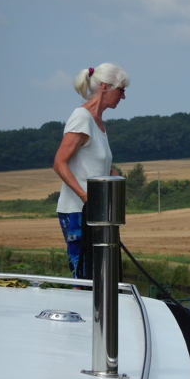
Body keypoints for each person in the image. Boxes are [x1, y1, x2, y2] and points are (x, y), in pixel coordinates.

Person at [53, 62, 129, 276]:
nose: (123, 97)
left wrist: (111, 175)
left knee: (99, 276)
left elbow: (91, 165)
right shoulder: (82, 117)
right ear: (105, 87)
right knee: (84, 277)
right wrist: (84, 196)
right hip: (78, 211)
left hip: (96, 213)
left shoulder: (98, 122)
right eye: (121, 90)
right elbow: (59, 162)